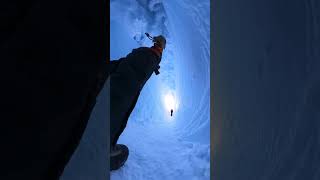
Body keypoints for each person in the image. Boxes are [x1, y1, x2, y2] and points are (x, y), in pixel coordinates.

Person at [109, 35, 166, 170]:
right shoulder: (149, 57)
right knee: (119, 106)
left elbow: (121, 64)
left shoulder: (142, 52)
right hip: (124, 90)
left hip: (119, 77)